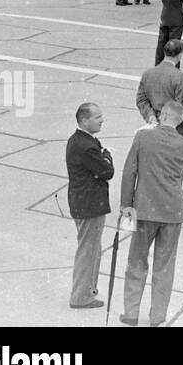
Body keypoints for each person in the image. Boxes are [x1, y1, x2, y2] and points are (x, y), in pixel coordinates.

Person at [118, 99, 183, 327]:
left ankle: (131, 313)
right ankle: (157, 316)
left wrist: (125, 206)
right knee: (164, 265)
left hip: (144, 209)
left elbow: (129, 173)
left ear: (162, 116)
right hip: (172, 211)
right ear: (180, 120)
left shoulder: (142, 137)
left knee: (136, 261)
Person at [65, 102, 114, 309]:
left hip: (83, 202)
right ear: (84, 120)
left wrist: (102, 157)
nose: (102, 120)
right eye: (97, 117)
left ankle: (88, 290)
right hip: (90, 204)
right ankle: (80, 296)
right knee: (88, 250)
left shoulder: (80, 140)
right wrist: (107, 156)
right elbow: (107, 172)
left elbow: (100, 168)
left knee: (92, 249)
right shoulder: (86, 146)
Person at [137, 40, 183, 125]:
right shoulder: (181, 77)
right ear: (180, 55)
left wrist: (150, 116)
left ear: (164, 52)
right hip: (172, 125)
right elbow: (181, 104)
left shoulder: (148, 73)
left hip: (153, 123)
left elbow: (141, 99)